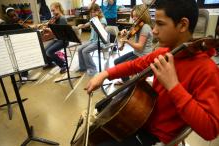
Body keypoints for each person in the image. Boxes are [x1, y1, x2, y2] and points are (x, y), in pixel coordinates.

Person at [85, 0, 219, 145]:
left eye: (160, 24)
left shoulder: (206, 70)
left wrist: (173, 86)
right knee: (103, 114)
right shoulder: (164, 53)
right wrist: (105, 74)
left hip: (156, 137)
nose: (154, 30)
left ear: (183, 25)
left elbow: (210, 130)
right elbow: (134, 65)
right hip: (141, 119)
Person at [115, 4, 153, 84]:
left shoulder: (145, 27)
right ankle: (126, 81)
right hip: (136, 53)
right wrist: (125, 32)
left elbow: (140, 46)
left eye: (136, 16)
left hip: (143, 56)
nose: (134, 18)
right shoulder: (139, 25)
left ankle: (129, 85)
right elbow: (131, 33)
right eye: (133, 16)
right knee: (117, 62)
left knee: (122, 66)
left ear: (143, 15)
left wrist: (127, 41)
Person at [77, 4, 107, 76]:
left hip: (100, 41)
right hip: (92, 41)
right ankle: (83, 67)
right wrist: (81, 26)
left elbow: (101, 30)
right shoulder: (93, 19)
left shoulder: (102, 20)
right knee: (79, 49)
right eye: (91, 12)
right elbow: (86, 24)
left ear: (98, 11)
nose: (92, 14)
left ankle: (93, 69)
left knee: (85, 51)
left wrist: (96, 23)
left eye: (94, 12)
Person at [5, 7, 29, 80]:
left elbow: (30, 30)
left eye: (15, 15)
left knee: (22, 57)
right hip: (13, 43)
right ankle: (20, 71)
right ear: (9, 17)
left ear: (16, 13)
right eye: (12, 16)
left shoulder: (20, 21)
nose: (14, 17)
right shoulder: (8, 24)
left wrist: (24, 26)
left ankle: (24, 74)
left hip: (22, 43)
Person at [44, 2, 68, 74]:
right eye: (51, 11)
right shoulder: (55, 18)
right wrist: (48, 26)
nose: (52, 13)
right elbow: (54, 33)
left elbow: (60, 33)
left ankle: (63, 64)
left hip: (63, 40)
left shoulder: (62, 18)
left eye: (53, 10)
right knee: (44, 50)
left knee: (49, 52)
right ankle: (50, 63)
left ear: (58, 8)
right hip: (56, 39)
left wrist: (49, 30)